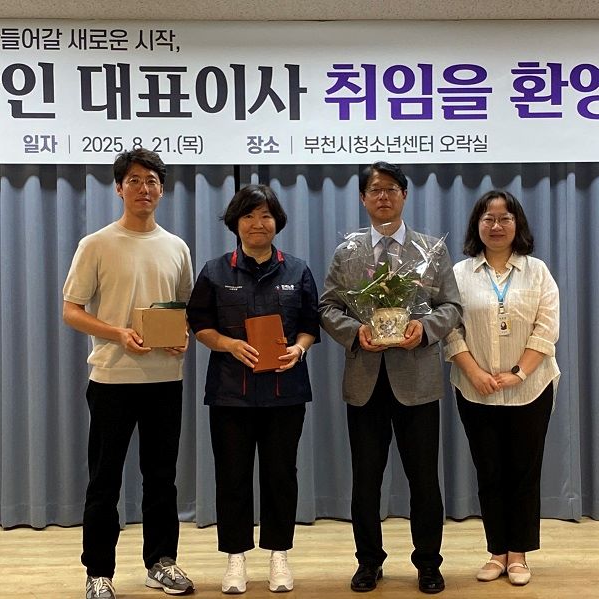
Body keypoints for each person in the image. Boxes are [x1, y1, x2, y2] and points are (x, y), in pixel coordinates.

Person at [319, 161, 462, 594]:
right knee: (365, 481)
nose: (383, 196)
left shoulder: (431, 250)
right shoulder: (347, 252)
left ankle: (428, 563)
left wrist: (425, 329)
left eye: (391, 189)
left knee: (424, 480)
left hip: (417, 381)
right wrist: (355, 333)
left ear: (404, 195)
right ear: (363, 199)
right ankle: (368, 562)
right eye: (375, 190)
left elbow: (452, 306)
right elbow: (327, 308)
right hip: (365, 381)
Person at [62, 148, 196, 599]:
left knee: (162, 479)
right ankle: (98, 572)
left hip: (165, 380)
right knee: (105, 481)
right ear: (119, 188)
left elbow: (184, 308)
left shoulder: (176, 246)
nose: (144, 188)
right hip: (112, 380)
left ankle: (162, 562)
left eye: (152, 181)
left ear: (162, 190)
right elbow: (71, 311)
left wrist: (182, 334)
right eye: (135, 180)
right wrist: (118, 333)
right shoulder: (96, 244)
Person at [186, 184, 320, 594]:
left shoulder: (297, 270)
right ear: (235, 223)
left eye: (265, 215)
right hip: (231, 393)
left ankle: (279, 555)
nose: (257, 223)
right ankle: (235, 557)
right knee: (232, 477)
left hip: (285, 392)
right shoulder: (214, 271)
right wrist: (227, 344)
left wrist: (299, 349)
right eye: (248, 215)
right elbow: (199, 323)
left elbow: (310, 325)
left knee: (281, 475)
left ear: (277, 222)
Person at [443, 189, 561, 587]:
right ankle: (496, 551)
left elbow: (547, 328)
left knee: (524, 472)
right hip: (474, 388)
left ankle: (519, 553)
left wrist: (519, 373)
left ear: (517, 224)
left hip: (531, 388)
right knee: (489, 472)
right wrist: (475, 372)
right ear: (477, 225)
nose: (496, 226)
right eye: (488, 218)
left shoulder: (537, 271)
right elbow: (450, 330)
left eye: (505, 218)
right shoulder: (460, 274)